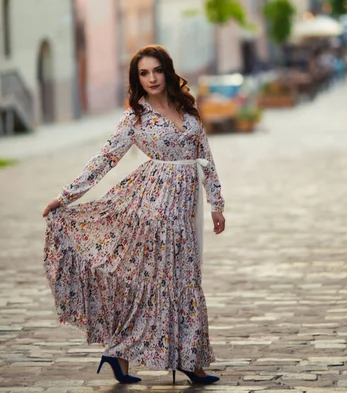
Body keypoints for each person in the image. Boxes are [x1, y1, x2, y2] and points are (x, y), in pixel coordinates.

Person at [43, 45, 226, 386]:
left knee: (183, 282)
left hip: (185, 209)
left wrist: (216, 203)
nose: (152, 78)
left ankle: (174, 358)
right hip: (153, 208)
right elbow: (104, 159)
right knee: (158, 284)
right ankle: (150, 356)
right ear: (136, 78)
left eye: (157, 70)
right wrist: (65, 196)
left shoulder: (187, 108)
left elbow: (206, 157)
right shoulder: (135, 118)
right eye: (144, 73)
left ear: (167, 71)